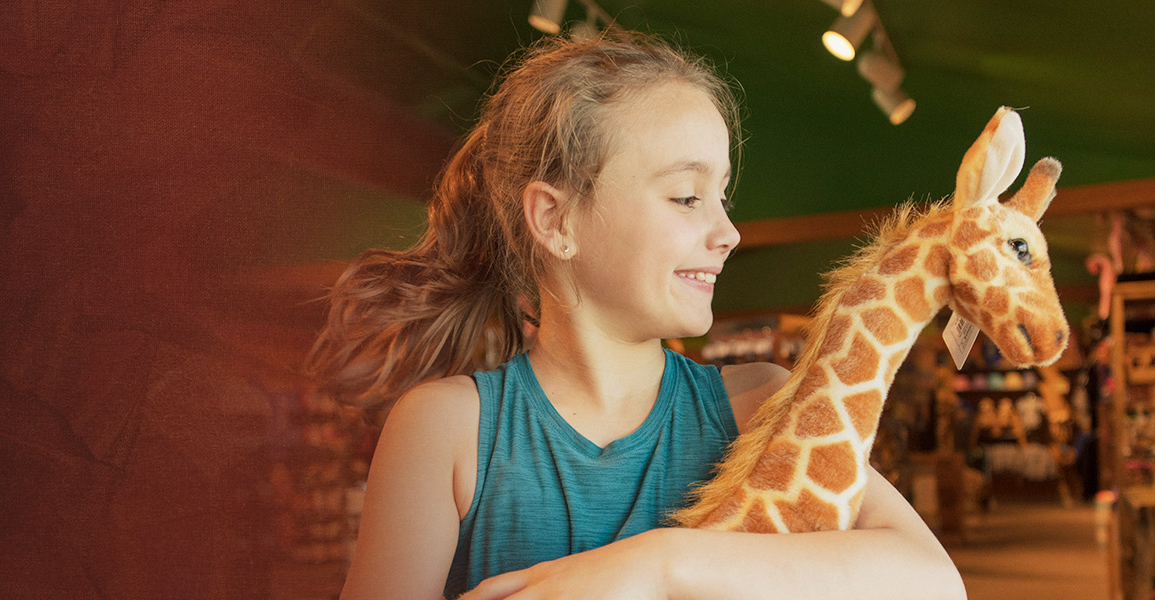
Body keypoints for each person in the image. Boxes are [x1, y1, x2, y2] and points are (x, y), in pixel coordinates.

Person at [307, 31, 965, 600]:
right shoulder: (447, 428)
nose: (729, 231)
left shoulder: (759, 405)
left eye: (722, 196)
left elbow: (933, 580)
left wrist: (657, 565)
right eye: (686, 196)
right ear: (556, 220)